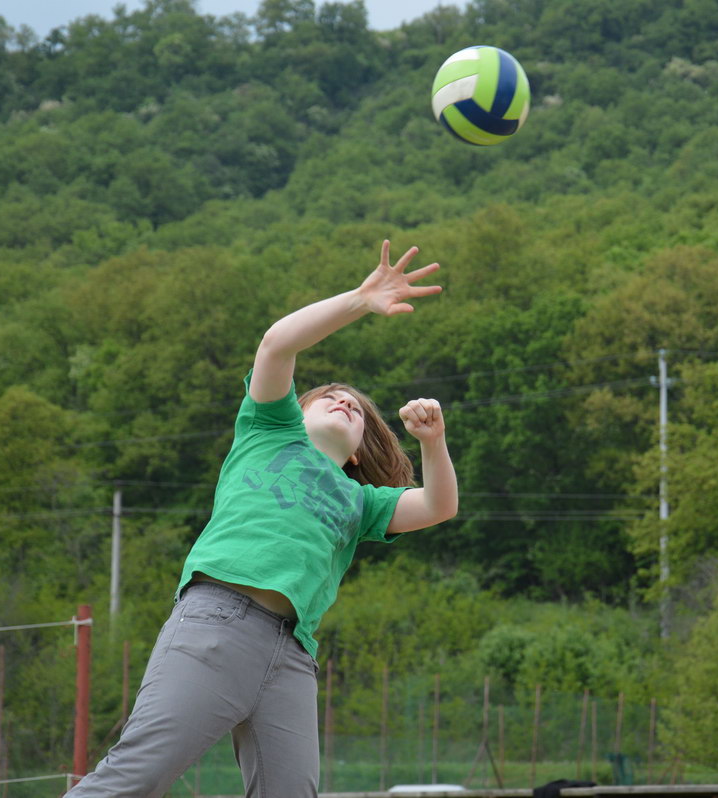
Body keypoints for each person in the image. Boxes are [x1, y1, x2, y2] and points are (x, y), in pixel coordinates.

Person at [68, 241, 458, 797]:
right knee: (139, 775)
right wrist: (361, 299)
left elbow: (440, 506)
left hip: (292, 654)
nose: (346, 403)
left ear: (356, 455)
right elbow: (277, 343)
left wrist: (433, 442)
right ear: (297, 411)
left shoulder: (361, 502)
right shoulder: (267, 431)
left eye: (356, 411)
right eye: (331, 398)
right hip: (217, 620)